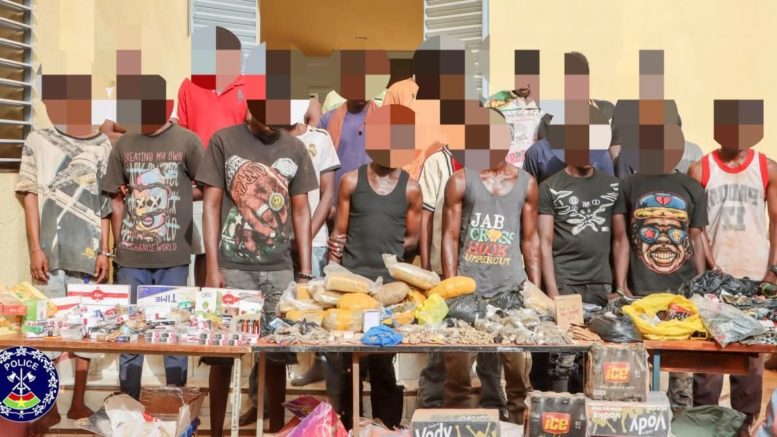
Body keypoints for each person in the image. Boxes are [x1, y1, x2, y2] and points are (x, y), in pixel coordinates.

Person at [195, 104, 317, 435]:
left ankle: (276, 429)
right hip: (232, 269)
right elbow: (211, 204)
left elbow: (301, 210)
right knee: (223, 356)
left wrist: (305, 273)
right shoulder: (224, 141)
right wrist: (212, 268)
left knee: (277, 356)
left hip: (279, 272)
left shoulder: (295, 148)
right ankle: (216, 432)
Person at [15, 73, 112, 436]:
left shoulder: (102, 144)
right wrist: (35, 247)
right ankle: (49, 406)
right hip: (51, 255)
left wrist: (105, 250)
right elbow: (30, 195)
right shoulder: (37, 140)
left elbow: (105, 203)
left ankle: (78, 401)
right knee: (47, 331)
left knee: (87, 329)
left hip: (89, 254)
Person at [326, 104, 423, 429]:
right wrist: (329, 279)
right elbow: (339, 235)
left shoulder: (411, 189)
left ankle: (386, 428)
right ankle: (346, 428)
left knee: (383, 364)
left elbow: (413, 238)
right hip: (351, 287)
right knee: (348, 366)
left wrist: (391, 256)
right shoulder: (350, 182)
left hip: (388, 294)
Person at [611, 101, 706, 411]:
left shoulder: (692, 187)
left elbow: (696, 237)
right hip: (640, 292)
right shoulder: (629, 184)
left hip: (682, 293)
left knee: (681, 377)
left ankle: (680, 420)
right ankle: (640, 422)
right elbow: (622, 239)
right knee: (636, 372)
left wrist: (701, 286)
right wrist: (621, 285)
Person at [689, 99, 776, 435]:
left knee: (751, 362)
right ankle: (705, 427)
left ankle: (744, 429)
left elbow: (776, 222)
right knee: (708, 362)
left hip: (756, 277)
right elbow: (696, 228)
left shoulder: (767, 168)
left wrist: (773, 271)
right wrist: (710, 268)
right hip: (715, 280)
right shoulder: (701, 169)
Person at [440, 132, 540, 423]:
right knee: (457, 378)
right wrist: (452, 289)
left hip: (511, 290)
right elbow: (449, 236)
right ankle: (456, 427)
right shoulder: (461, 180)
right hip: (469, 291)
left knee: (517, 380)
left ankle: (517, 426)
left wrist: (534, 292)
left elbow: (530, 241)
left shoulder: (526, 183)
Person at [103, 115, 203, 400]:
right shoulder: (124, 144)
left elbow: (210, 185)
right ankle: (129, 404)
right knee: (130, 333)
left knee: (174, 332)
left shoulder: (187, 141)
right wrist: (120, 242)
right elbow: (114, 197)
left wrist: (180, 194)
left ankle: (176, 403)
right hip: (130, 258)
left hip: (174, 256)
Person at [174, 26, 256, 287]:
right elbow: (183, 135)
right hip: (200, 185)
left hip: (237, 187)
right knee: (203, 252)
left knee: (234, 250)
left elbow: (254, 133)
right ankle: (202, 303)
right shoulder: (189, 86)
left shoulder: (249, 85)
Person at [536, 164, 619, 392]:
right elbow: (544, 242)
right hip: (566, 282)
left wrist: (620, 285)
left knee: (597, 357)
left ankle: (591, 409)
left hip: (601, 283)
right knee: (563, 358)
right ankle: (561, 407)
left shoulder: (612, 186)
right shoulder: (550, 186)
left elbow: (620, 239)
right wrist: (553, 292)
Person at [284, 121, 340, 387]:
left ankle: (321, 369)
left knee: (318, 313)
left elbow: (328, 195)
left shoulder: (320, 139)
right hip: (276, 244)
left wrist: (304, 237)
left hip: (314, 242)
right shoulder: (270, 139)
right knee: (277, 315)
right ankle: (264, 390)